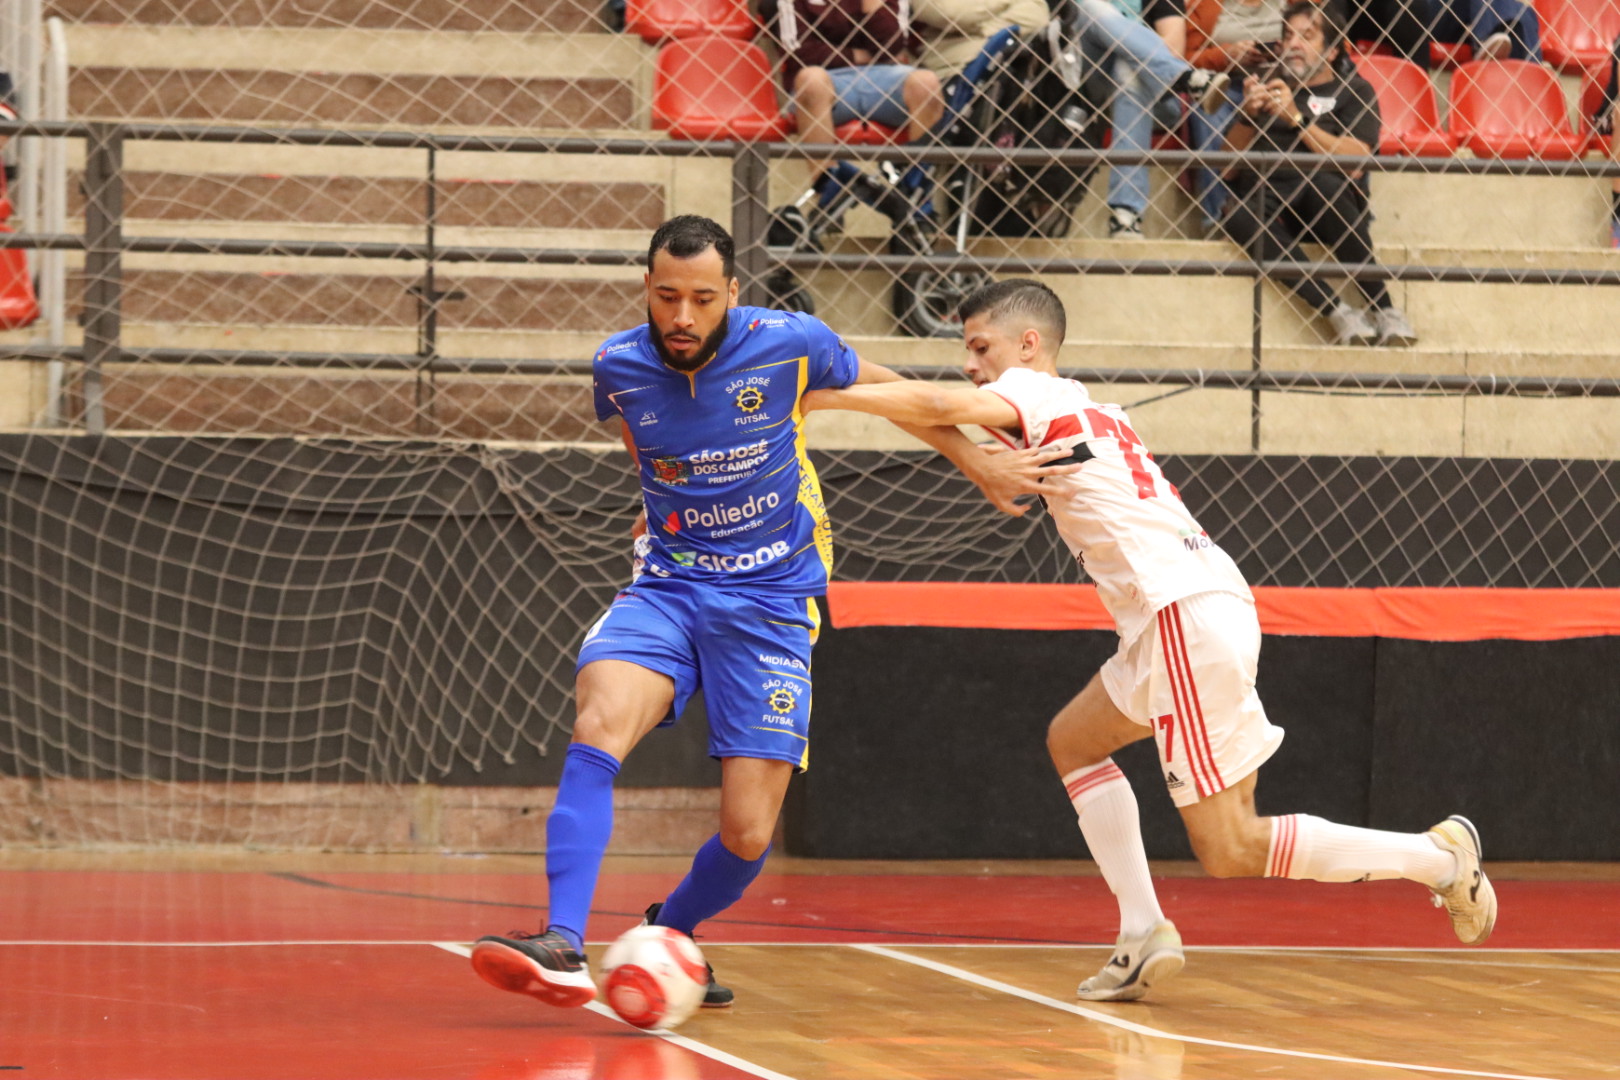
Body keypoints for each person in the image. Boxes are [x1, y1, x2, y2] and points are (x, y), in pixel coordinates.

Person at [802, 277, 1498, 1002]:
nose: (970, 364)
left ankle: (1439, 859)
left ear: (1028, 345)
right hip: (1178, 615)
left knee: (1231, 846)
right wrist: (841, 371)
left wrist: (825, 396)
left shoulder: (1035, 392)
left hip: (1180, 617)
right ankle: (1142, 930)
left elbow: (940, 406)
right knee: (1074, 742)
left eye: (981, 347)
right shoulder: (1077, 408)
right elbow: (934, 407)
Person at [468, 217, 1072, 1010]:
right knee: (599, 722)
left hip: (771, 601)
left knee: (749, 834)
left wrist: (976, 462)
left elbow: (895, 395)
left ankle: (670, 932)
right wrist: (661, 503)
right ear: (646, 288)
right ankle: (562, 943)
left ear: (733, 293)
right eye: (667, 297)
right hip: (670, 585)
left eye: (702, 299)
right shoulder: (617, 366)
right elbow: (644, 446)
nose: (683, 316)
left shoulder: (790, 343)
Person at [1219, 0, 1417, 346]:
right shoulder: (1267, 88)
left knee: (1324, 184)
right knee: (1234, 214)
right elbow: (1225, 168)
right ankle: (1337, 310)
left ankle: (1384, 309)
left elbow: (1356, 159)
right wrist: (1247, 116)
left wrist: (1296, 119)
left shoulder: (1354, 91)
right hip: (1269, 201)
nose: (1293, 44)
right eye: (1288, 36)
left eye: (1307, 36)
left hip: (1327, 205)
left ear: (1331, 51)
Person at [1067, 0, 1232, 237]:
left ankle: (1127, 213)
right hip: (1086, 86)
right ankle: (1188, 80)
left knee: (1128, 70)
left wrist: (1127, 49)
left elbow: (1174, 50)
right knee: (1089, 6)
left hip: (1157, 95)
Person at [777, 0, 946, 221]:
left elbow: (892, 46)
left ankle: (917, 201)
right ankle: (828, 196)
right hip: (827, 80)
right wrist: (864, 56)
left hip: (884, 76)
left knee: (926, 83)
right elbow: (800, 53)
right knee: (811, 80)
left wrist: (872, 6)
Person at [1185, 0, 1286, 231]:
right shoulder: (1203, 4)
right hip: (1226, 83)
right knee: (1206, 109)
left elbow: (1325, 42)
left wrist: (1287, 51)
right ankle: (1220, 218)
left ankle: (1284, 219)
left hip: (1282, 81)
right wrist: (1225, 56)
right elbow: (1185, 59)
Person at [912, 0, 1053, 80]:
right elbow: (949, 13)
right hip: (951, 69)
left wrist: (975, 26)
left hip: (999, 63)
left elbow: (1037, 17)